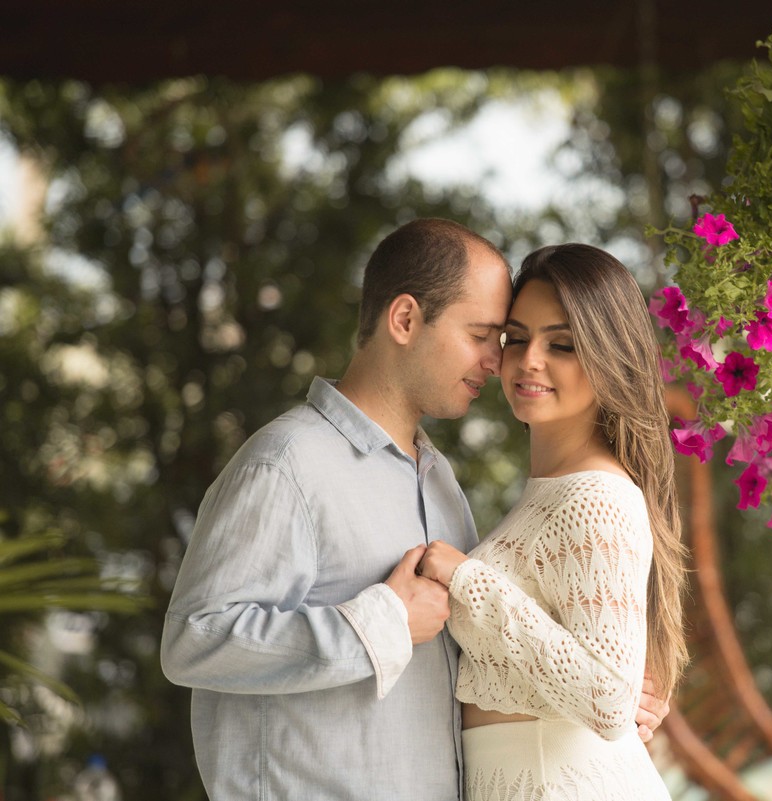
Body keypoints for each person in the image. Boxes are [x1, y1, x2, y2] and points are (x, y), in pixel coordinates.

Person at [160, 219, 669, 801]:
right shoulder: (288, 465)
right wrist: (380, 624)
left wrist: (610, 697)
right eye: (486, 335)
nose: (496, 360)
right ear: (404, 320)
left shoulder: (440, 484)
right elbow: (193, 641)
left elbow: (479, 654)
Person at [417, 244, 688, 800]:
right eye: (515, 338)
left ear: (609, 357)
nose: (529, 359)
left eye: (560, 344)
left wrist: (468, 579)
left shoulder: (596, 499)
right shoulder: (552, 491)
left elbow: (609, 700)